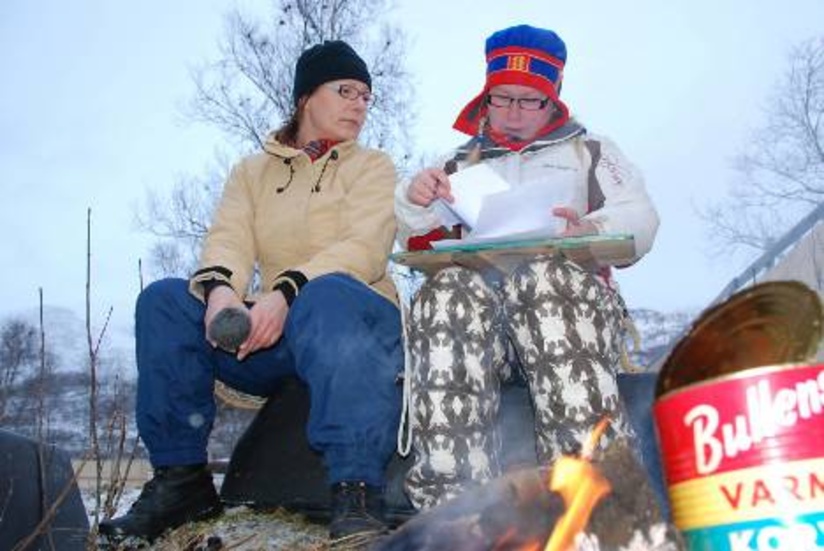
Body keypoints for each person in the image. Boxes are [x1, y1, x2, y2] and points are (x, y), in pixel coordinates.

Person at [99, 40, 403, 542]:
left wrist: (284, 293)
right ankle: (182, 483)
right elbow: (229, 239)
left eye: (366, 96)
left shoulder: (373, 167)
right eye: (345, 90)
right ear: (306, 97)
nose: (359, 104)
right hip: (276, 335)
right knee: (165, 300)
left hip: (356, 331)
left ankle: (357, 491)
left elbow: (364, 249)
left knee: (327, 294)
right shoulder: (251, 172)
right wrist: (221, 294)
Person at [394, 24, 660, 510]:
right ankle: (455, 506)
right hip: (483, 327)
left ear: (553, 96)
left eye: (528, 100)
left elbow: (641, 218)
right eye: (501, 98)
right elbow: (416, 237)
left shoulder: (590, 151)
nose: (513, 111)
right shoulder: (456, 164)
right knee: (444, 293)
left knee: (545, 277)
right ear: (486, 96)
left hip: (566, 315)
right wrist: (414, 200)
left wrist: (591, 228)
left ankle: (596, 498)